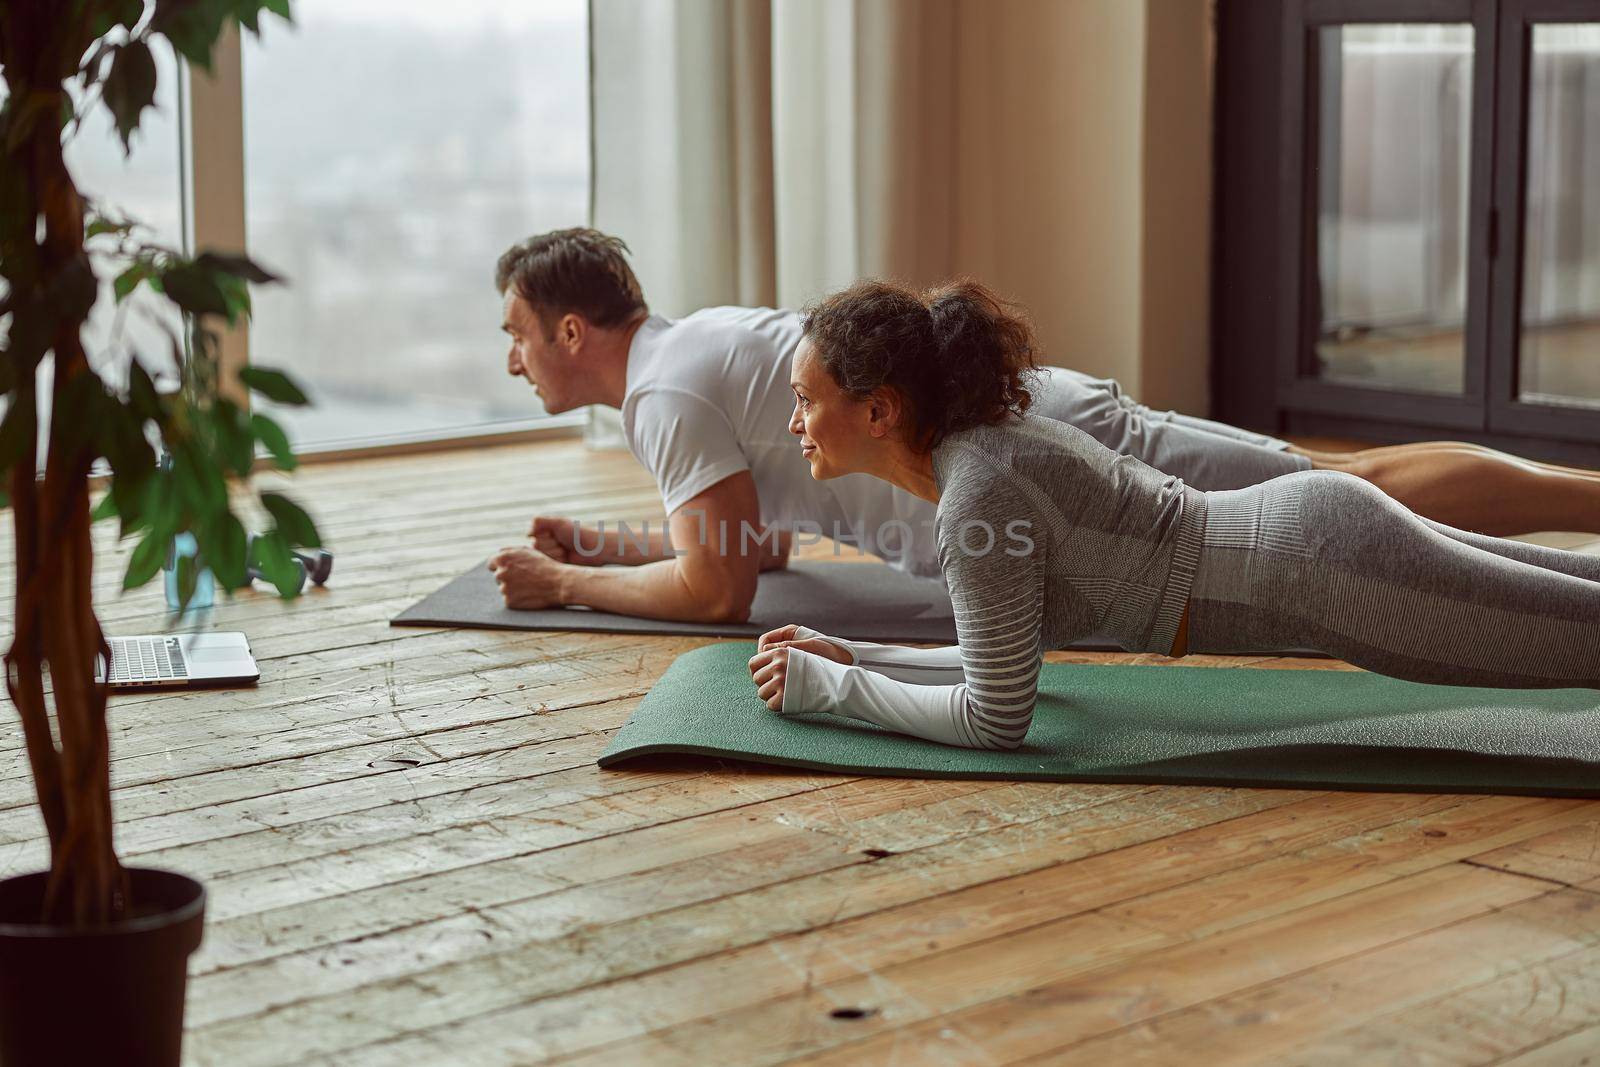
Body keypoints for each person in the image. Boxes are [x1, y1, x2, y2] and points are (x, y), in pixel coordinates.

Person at [488, 227, 1600, 622]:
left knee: (1360, 486)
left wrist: (572, 586)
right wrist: (615, 546)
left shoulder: (663, 396)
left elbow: (718, 593)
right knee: (1350, 493)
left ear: (575, 329)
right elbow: (757, 543)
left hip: (1057, 455)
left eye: (519, 332)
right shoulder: (688, 351)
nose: (512, 356)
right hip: (1042, 455)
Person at [747, 279, 1600, 751]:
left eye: (804, 400)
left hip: (1329, 572)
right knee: (1575, 597)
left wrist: (837, 689)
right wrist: (853, 650)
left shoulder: (977, 496)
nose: (793, 423)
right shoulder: (981, 455)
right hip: (1318, 538)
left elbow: (995, 717)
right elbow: (997, 652)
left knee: (1581, 636)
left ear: (880, 410)